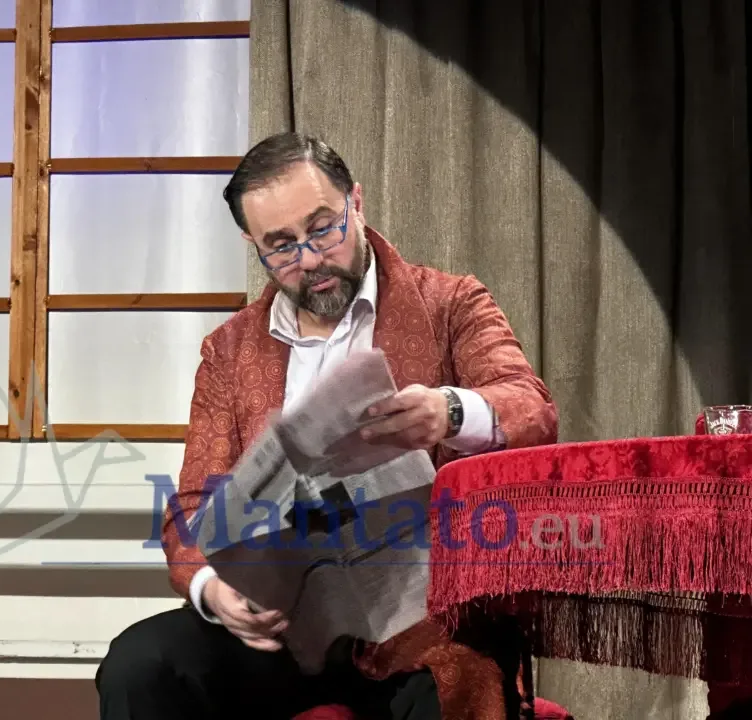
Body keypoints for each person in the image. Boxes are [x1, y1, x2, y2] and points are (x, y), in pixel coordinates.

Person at [95, 132, 558, 720]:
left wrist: (448, 410)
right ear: (253, 244)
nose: (310, 260)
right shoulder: (229, 351)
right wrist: (213, 589)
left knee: (457, 678)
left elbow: (530, 407)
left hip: (422, 626)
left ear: (355, 203)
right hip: (286, 629)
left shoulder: (450, 303)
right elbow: (190, 506)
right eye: (281, 246)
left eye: (322, 230)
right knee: (141, 663)